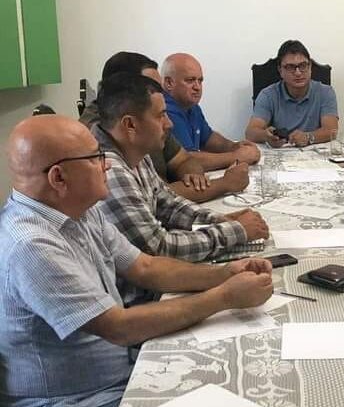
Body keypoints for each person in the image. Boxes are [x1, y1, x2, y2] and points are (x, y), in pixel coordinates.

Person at [0, 115, 273, 407]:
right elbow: (118, 327)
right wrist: (224, 297)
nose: (106, 164)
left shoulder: (79, 210)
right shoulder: (31, 245)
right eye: (95, 157)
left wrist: (225, 274)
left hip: (118, 370)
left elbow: (145, 266)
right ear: (59, 178)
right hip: (81, 397)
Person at [92, 73, 269, 263]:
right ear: (130, 125)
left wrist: (219, 220)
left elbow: (168, 205)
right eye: (161, 115)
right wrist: (236, 231)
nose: (169, 124)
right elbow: (159, 249)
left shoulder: (134, 152)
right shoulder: (110, 169)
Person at [81, 51, 250, 203]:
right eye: (151, 87)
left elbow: (184, 160)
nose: (161, 93)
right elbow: (153, 197)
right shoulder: (96, 136)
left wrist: (193, 175)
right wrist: (224, 183)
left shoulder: (153, 118)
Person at [162, 52, 261, 170]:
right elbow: (185, 161)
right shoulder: (165, 110)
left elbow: (208, 138)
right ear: (169, 83)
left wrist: (234, 146)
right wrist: (236, 156)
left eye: (200, 81)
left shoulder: (191, 106)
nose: (197, 87)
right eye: (190, 80)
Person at [245, 40, 339, 147]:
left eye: (303, 65)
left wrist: (308, 137)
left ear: (310, 67)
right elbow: (250, 133)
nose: (298, 73)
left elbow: (331, 130)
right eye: (290, 67)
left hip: (314, 152)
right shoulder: (268, 95)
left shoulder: (325, 92)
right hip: (280, 152)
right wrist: (265, 136)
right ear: (280, 70)